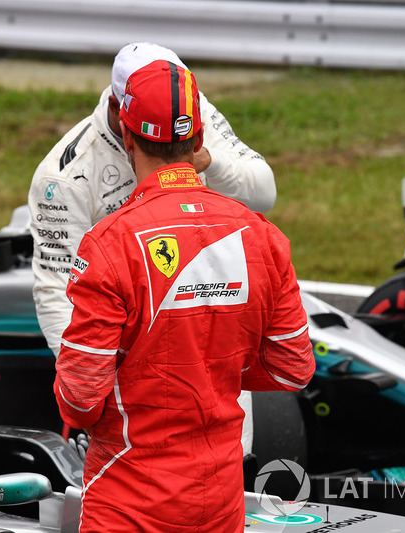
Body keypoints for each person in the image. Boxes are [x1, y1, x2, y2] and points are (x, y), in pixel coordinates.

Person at [53, 60, 315, 532]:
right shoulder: (263, 235)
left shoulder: (108, 244)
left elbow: (79, 398)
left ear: (127, 138)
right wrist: (213, 370)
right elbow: (292, 366)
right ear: (199, 143)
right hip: (221, 500)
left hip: (128, 499)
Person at [29, 42, 276, 454]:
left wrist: (210, 161)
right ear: (120, 113)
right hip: (134, 395)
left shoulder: (185, 107)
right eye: (149, 126)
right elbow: (57, 292)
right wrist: (90, 391)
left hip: (214, 362)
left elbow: (262, 193)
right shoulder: (65, 177)